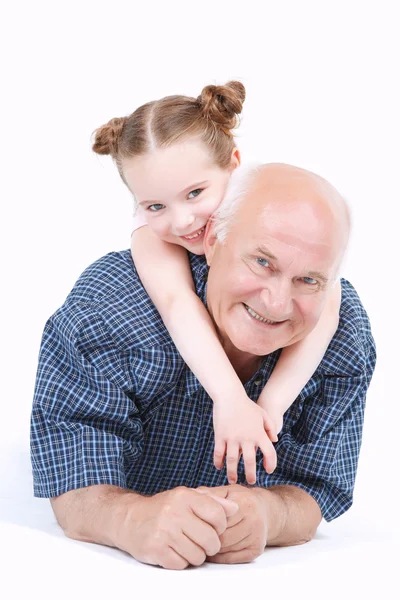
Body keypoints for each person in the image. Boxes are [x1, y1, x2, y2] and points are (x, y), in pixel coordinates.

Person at [30, 161, 376, 570]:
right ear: (212, 239)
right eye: (262, 262)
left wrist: (267, 513)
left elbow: (312, 492)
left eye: (309, 280)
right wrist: (132, 519)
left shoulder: (343, 336)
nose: (277, 303)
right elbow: (74, 485)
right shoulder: (110, 307)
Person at [91, 81, 341, 485]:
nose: (182, 220)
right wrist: (229, 397)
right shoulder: (152, 236)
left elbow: (330, 302)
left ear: (233, 164)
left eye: (195, 193)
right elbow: (177, 305)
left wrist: (271, 407)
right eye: (156, 205)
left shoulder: (261, 201)